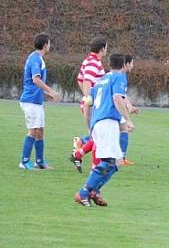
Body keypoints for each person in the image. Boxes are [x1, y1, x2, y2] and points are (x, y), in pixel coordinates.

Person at [73, 53, 133, 206]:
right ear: (124, 65)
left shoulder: (101, 80)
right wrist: (128, 119)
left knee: (117, 162)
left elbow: (87, 103)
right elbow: (117, 98)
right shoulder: (119, 77)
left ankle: (94, 190)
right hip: (107, 123)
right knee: (108, 161)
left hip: (97, 124)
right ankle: (83, 192)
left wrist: (89, 126)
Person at [18, 32, 61, 170]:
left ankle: (39, 162)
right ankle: (24, 162)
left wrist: (46, 95)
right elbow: (36, 80)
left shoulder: (37, 58)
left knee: (40, 130)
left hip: (36, 101)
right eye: (49, 43)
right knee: (33, 131)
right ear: (45, 45)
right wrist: (51, 91)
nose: (50, 45)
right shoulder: (35, 59)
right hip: (30, 101)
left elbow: (35, 82)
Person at [70, 36, 108, 173]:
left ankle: (78, 154)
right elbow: (86, 81)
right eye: (106, 47)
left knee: (97, 137)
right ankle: (94, 168)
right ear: (102, 48)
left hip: (93, 104)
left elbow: (80, 80)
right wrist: (89, 100)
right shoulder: (94, 63)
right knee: (97, 138)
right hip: (93, 106)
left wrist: (87, 97)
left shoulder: (89, 60)